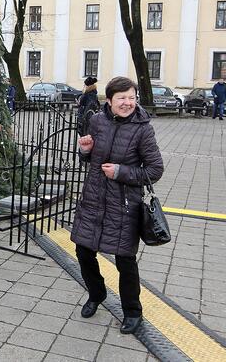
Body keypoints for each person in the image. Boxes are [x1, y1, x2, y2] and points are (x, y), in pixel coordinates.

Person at [71, 76, 164, 335]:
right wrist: (85, 151)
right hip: (93, 199)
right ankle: (96, 293)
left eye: (131, 98)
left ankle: (133, 312)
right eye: (122, 98)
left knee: (125, 260)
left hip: (123, 205)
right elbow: (88, 159)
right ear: (109, 100)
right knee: (83, 251)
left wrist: (122, 172)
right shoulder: (97, 121)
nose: (127, 103)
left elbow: (155, 170)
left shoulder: (143, 128)